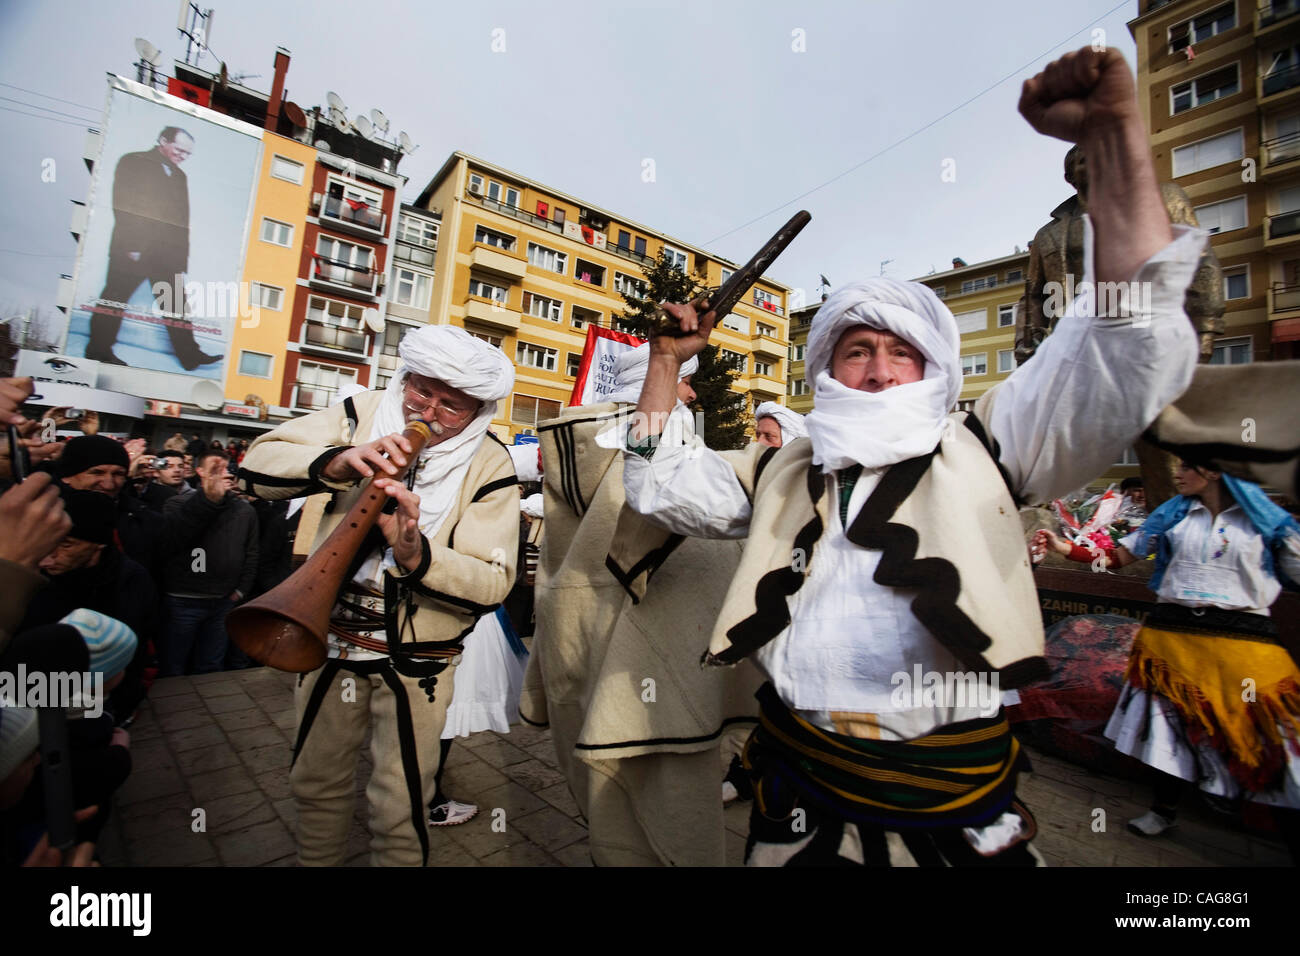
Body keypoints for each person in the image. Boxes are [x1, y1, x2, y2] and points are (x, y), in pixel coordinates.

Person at [618, 48, 1207, 866]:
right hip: (800, 797)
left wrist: (1112, 143)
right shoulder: (789, 465)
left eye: (904, 352)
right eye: (856, 350)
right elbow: (662, 487)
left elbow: (1125, 342)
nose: (881, 369)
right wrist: (663, 366)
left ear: (935, 372)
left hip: (953, 810)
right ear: (827, 369)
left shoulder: (991, 446)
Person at [238, 325, 519, 867]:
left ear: (477, 411)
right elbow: (255, 467)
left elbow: (494, 580)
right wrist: (337, 461)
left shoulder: (492, 463)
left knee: (402, 798)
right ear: (405, 379)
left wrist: (418, 554)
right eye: (422, 391)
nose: (430, 412)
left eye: (451, 405)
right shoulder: (357, 413)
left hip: (421, 658)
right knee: (314, 781)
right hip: (327, 637)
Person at [521, 343, 762, 866]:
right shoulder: (648, 459)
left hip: (587, 668)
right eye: (682, 383)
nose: (693, 394)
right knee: (679, 833)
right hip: (661, 685)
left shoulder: (578, 454)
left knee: (614, 828)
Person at [1035, 460, 1300, 856]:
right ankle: (1163, 810)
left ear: (1213, 472)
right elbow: (1118, 558)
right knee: (1167, 732)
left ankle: (1285, 826)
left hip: (1246, 641)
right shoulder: (1171, 515)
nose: (1176, 472)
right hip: (1171, 640)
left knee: (1273, 733)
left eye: (1187, 466)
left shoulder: (1265, 521)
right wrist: (1063, 548)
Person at [87, 127, 221, 371]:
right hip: (134, 250)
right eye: (179, 149)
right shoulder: (133, 161)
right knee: (114, 301)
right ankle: (98, 351)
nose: (182, 156)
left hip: (167, 256)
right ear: (162, 140)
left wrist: (181, 261)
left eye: (187, 153)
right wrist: (133, 245)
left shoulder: (180, 176)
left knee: (176, 306)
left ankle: (190, 356)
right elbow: (123, 203)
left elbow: (182, 221)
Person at [159, 449, 258, 676]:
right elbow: (173, 542)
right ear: (199, 472)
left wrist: (241, 591)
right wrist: (210, 502)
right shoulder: (177, 504)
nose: (225, 474)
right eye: (216, 469)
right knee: (173, 666)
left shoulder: (244, 510)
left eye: (228, 469)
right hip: (183, 601)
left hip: (223, 601)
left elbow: (251, 554)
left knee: (210, 667)